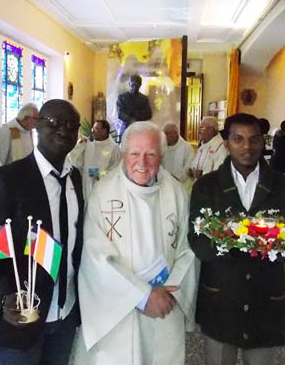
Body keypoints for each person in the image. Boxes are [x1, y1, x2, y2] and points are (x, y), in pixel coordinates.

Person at [0, 99, 84, 365]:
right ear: (36, 127)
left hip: (64, 311)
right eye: (53, 122)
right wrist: (3, 298)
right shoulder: (7, 180)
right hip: (24, 312)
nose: (62, 130)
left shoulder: (75, 178)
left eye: (71, 125)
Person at [74, 121, 197, 365]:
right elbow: (95, 257)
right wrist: (141, 296)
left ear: (162, 156)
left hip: (165, 302)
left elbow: (188, 249)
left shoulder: (176, 191)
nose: (142, 163)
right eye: (134, 154)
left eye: (151, 154)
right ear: (123, 153)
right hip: (118, 308)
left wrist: (171, 290)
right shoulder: (103, 193)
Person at [188, 113, 285, 365]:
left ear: (263, 143)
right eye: (238, 139)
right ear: (226, 143)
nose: (247, 147)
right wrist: (242, 241)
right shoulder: (207, 187)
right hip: (221, 297)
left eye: (254, 140)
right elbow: (197, 241)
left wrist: (273, 241)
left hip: (266, 299)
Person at [68, 119, 121, 199]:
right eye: (93, 129)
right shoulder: (89, 145)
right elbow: (75, 160)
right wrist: (79, 146)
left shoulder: (113, 148)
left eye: (96, 129)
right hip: (87, 186)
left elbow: (117, 168)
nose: (93, 131)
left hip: (105, 188)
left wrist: (99, 174)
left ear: (104, 131)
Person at [188, 116, 228, 180]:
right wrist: (191, 170)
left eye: (201, 128)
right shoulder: (202, 146)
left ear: (210, 130)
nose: (198, 131)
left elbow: (220, 172)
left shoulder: (221, 147)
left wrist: (201, 173)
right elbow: (194, 166)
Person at [116, 74, 153, 139]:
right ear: (129, 84)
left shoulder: (144, 99)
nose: (134, 87)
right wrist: (130, 119)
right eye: (133, 85)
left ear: (140, 85)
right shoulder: (122, 97)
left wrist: (136, 116)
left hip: (140, 129)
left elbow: (149, 114)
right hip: (126, 128)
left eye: (136, 85)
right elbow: (120, 113)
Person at [161, 122, 195, 186]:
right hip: (164, 182)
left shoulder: (186, 147)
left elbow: (188, 167)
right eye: (163, 133)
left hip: (181, 184)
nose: (164, 136)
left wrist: (176, 178)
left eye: (167, 134)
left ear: (175, 133)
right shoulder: (162, 146)